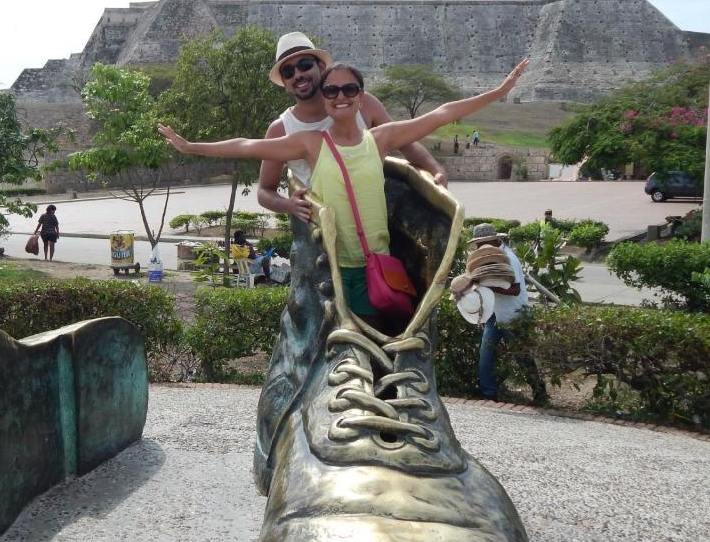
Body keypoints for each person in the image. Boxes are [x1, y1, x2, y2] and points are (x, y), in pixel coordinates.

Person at [159, 59, 529, 329]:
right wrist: (191, 146)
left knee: (397, 337)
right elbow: (245, 145)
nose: (340, 96)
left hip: (382, 266)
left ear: (360, 95)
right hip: (336, 269)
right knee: (354, 348)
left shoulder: (379, 139)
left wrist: (499, 92)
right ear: (323, 97)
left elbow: (442, 114)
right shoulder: (309, 144)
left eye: (349, 89)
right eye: (331, 90)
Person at [257, 33, 448, 223]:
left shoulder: (363, 104)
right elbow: (264, 190)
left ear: (321, 67)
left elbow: (405, 142)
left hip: (372, 219)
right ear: (284, 82)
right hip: (319, 229)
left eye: (305, 65)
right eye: (289, 72)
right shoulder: (280, 129)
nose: (298, 75)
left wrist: (435, 169)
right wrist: (288, 205)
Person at [468, 223, 548, 405]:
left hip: (513, 315)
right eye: (479, 245)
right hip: (494, 314)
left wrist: (489, 287)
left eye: (483, 244)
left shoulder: (509, 258)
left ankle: (539, 393)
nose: (481, 248)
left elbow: (515, 290)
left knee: (522, 357)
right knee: (486, 357)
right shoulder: (486, 258)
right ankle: (489, 395)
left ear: (495, 241)